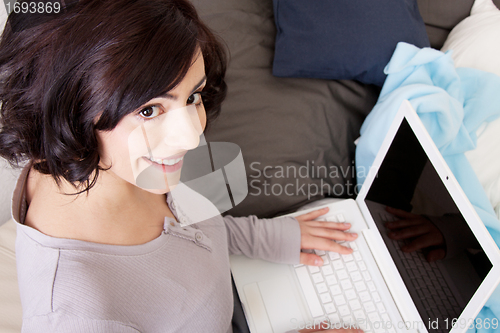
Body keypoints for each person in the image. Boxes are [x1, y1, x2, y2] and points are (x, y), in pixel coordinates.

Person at [0, 1, 361, 332]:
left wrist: (268, 237)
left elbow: (186, 228)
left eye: (193, 96)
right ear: (67, 112)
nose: (191, 137)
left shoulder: (124, 160)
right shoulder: (76, 315)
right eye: (149, 110)